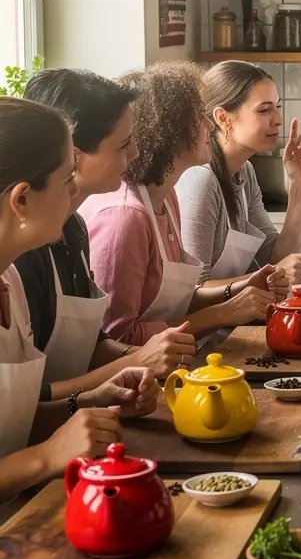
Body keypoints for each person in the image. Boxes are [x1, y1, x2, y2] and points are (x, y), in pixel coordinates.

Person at [0, 97, 158, 502]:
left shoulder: (10, 282)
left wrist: (87, 402)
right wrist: (46, 457)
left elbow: (13, 425)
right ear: (21, 200)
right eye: (66, 179)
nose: (75, 192)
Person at [15, 69, 196, 395]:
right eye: (124, 144)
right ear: (74, 155)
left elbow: (95, 342)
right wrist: (138, 360)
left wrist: (139, 360)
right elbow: (32, 397)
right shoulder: (22, 258)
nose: (136, 154)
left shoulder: (73, 229)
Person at [80, 62, 279, 345]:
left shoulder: (166, 197)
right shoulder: (125, 216)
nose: (210, 125)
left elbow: (179, 299)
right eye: (199, 117)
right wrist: (223, 313)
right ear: (168, 129)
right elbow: (118, 338)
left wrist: (240, 287)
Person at [177, 60, 301, 285]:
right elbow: (193, 290)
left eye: (277, 107)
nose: (278, 120)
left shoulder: (244, 172)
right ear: (223, 118)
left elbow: (276, 257)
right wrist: (268, 276)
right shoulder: (200, 180)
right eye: (264, 110)